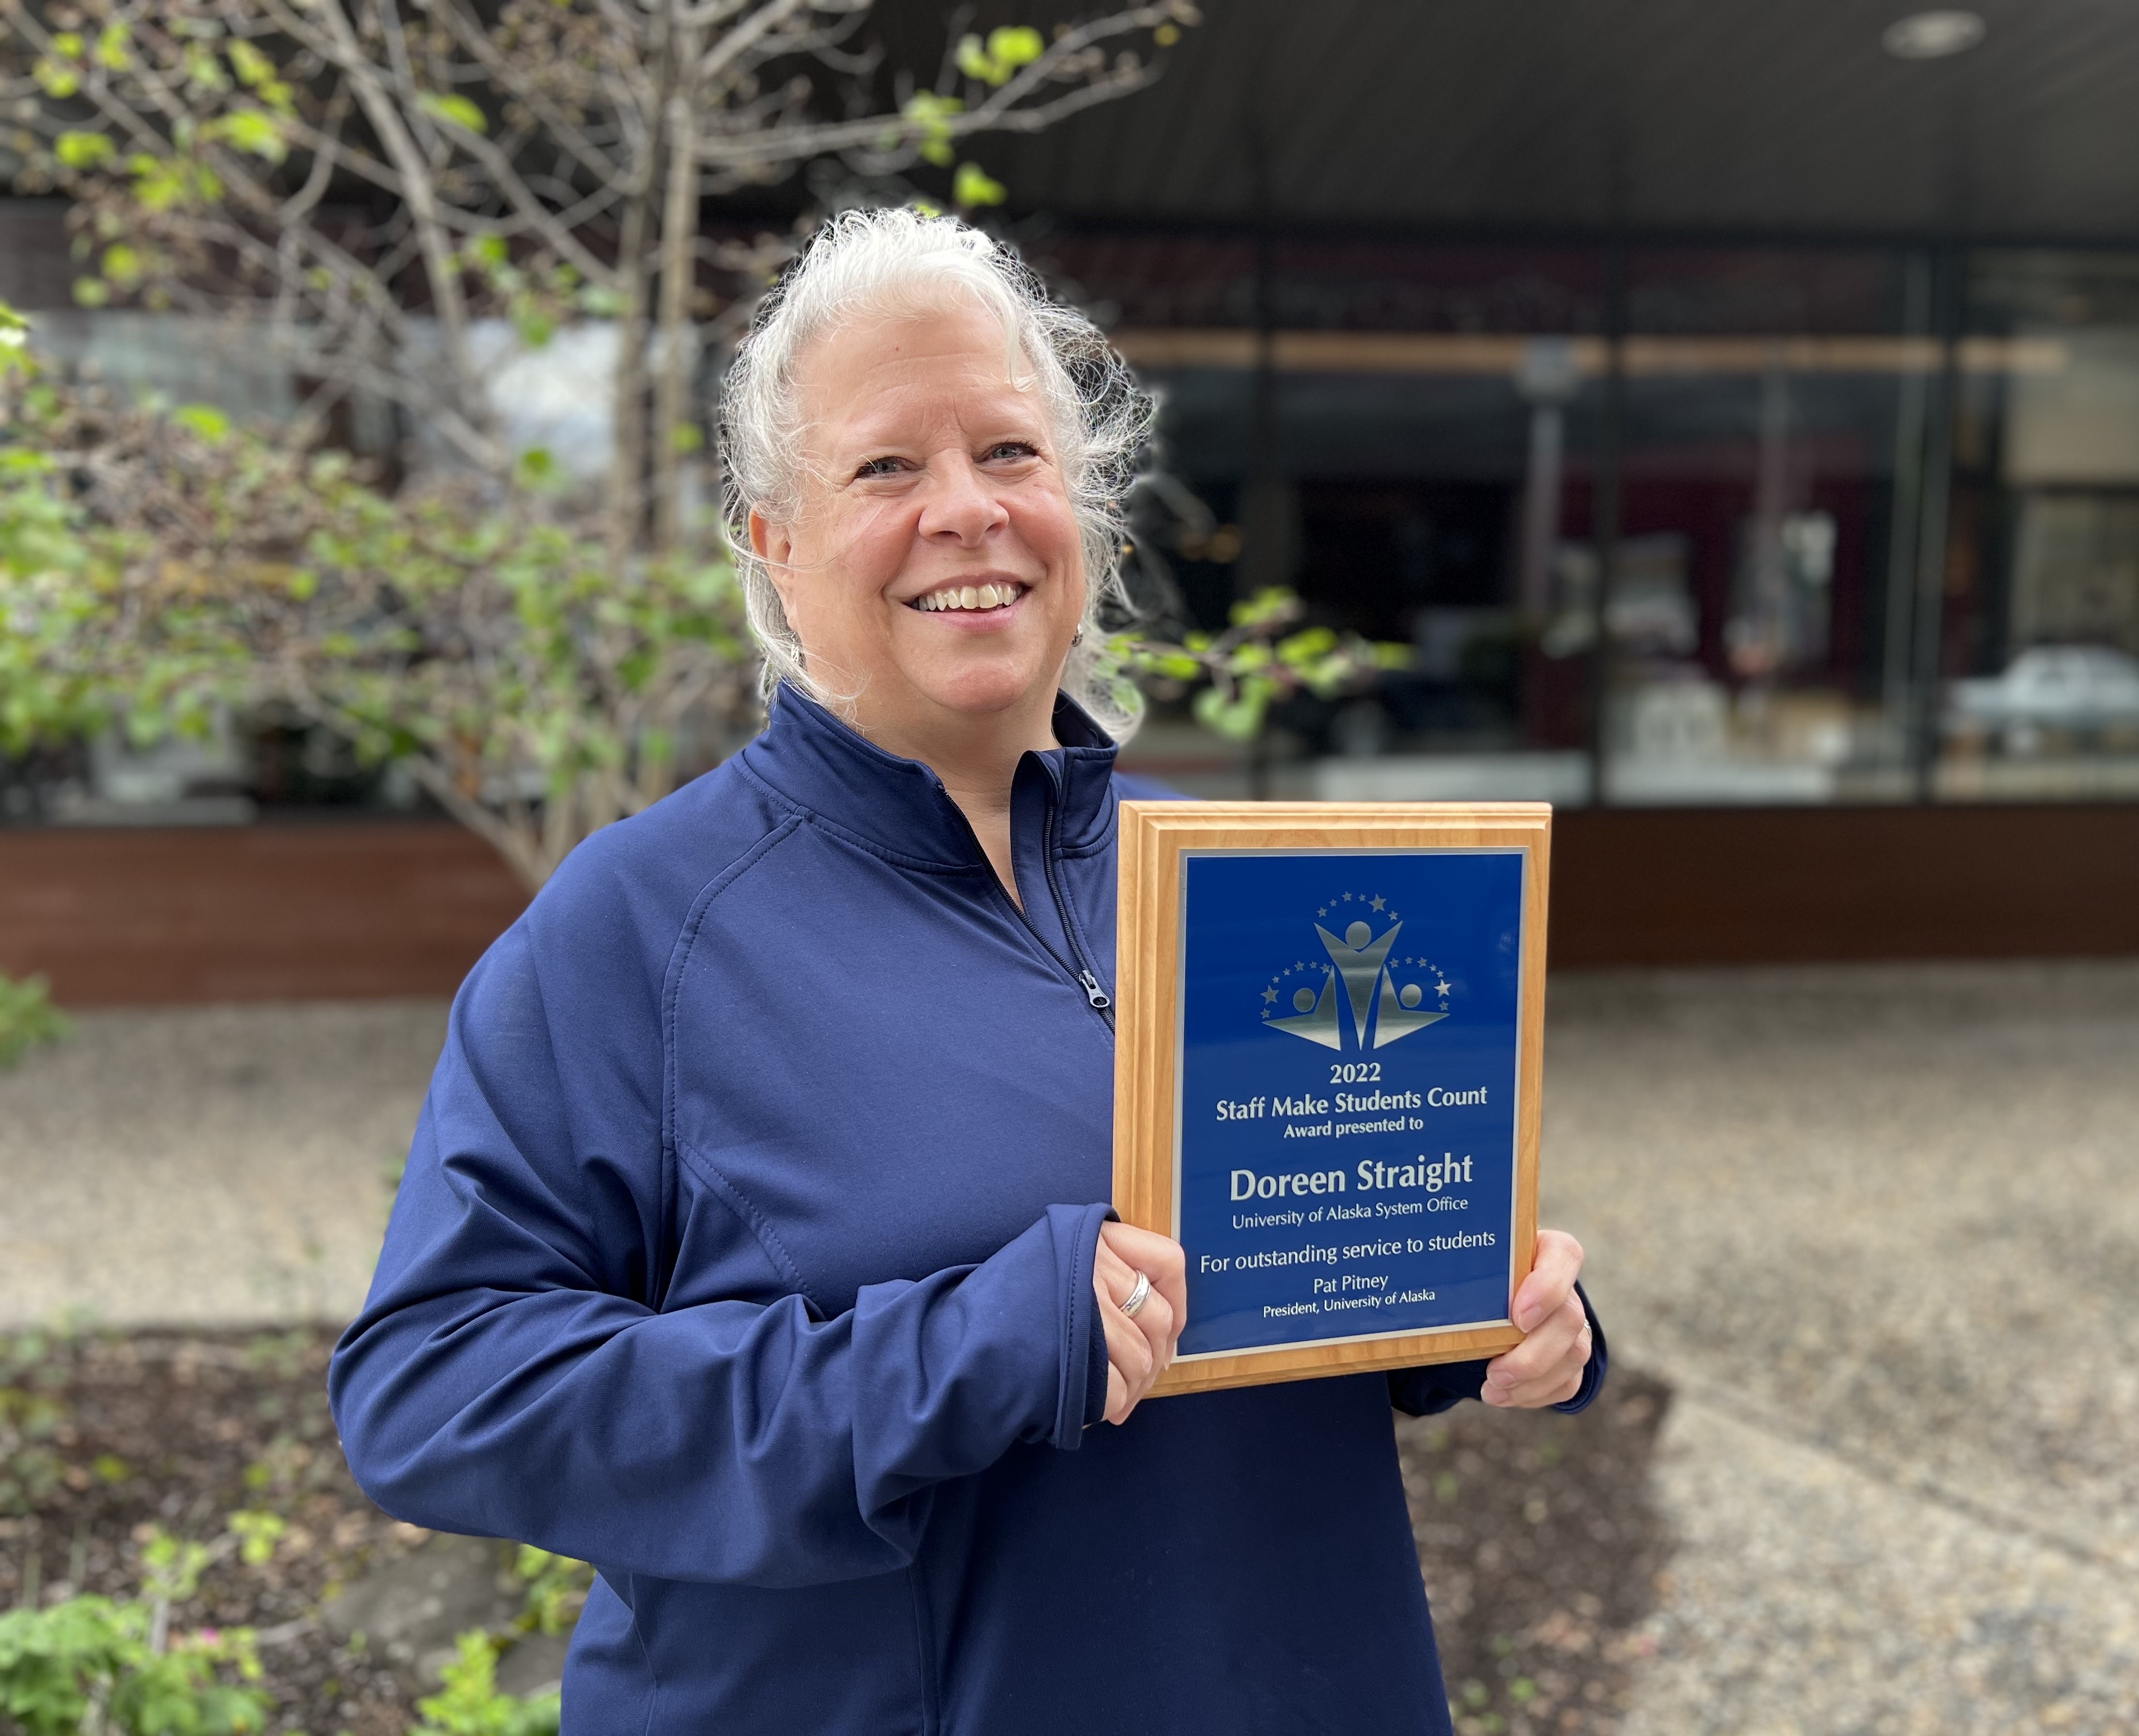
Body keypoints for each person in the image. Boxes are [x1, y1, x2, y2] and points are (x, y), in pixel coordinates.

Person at [330, 207, 1604, 1736]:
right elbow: (436, 1393)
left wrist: (1499, 1304)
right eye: (886, 467)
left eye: (1010, 453)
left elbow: (1335, 1254)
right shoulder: (643, 925)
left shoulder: (1249, 886)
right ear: (774, 545)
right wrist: (965, 1349)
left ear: (1083, 511)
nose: (967, 511)